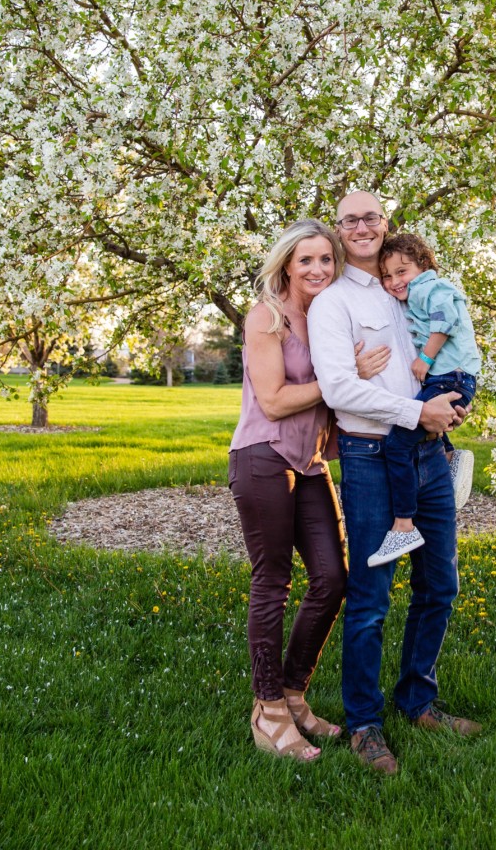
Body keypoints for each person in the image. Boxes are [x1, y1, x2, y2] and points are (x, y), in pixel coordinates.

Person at [307, 192, 482, 775]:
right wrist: (416, 414)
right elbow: (339, 390)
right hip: (371, 456)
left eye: (371, 217)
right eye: (350, 219)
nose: (362, 227)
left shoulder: (411, 286)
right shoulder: (332, 305)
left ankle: (418, 700)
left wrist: (451, 404)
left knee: (440, 586)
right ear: (339, 229)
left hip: (430, 454)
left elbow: (446, 347)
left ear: (386, 225)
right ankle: (363, 723)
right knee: (371, 599)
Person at [228, 218, 348, 762]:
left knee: (332, 578)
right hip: (263, 457)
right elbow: (274, 400)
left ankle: (295, 693)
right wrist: (343, 382)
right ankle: (267, 709)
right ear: (286, 264)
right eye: (307, 260)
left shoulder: (328, 317)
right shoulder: (266, 316)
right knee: (272, 582)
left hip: (312, 462)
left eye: (326, 259)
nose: (318, 269)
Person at [367, 231, 480, 567]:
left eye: (402, 271)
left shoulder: (429, 287)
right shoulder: (417, 292)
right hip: (453, 377)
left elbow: (446, 321)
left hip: (449, 376)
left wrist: (425, 359)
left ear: (424, 266)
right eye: (386, 276)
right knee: (425, 425)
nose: (394, 281)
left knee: (398, 445)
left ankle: (403, 525)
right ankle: (449, 458)